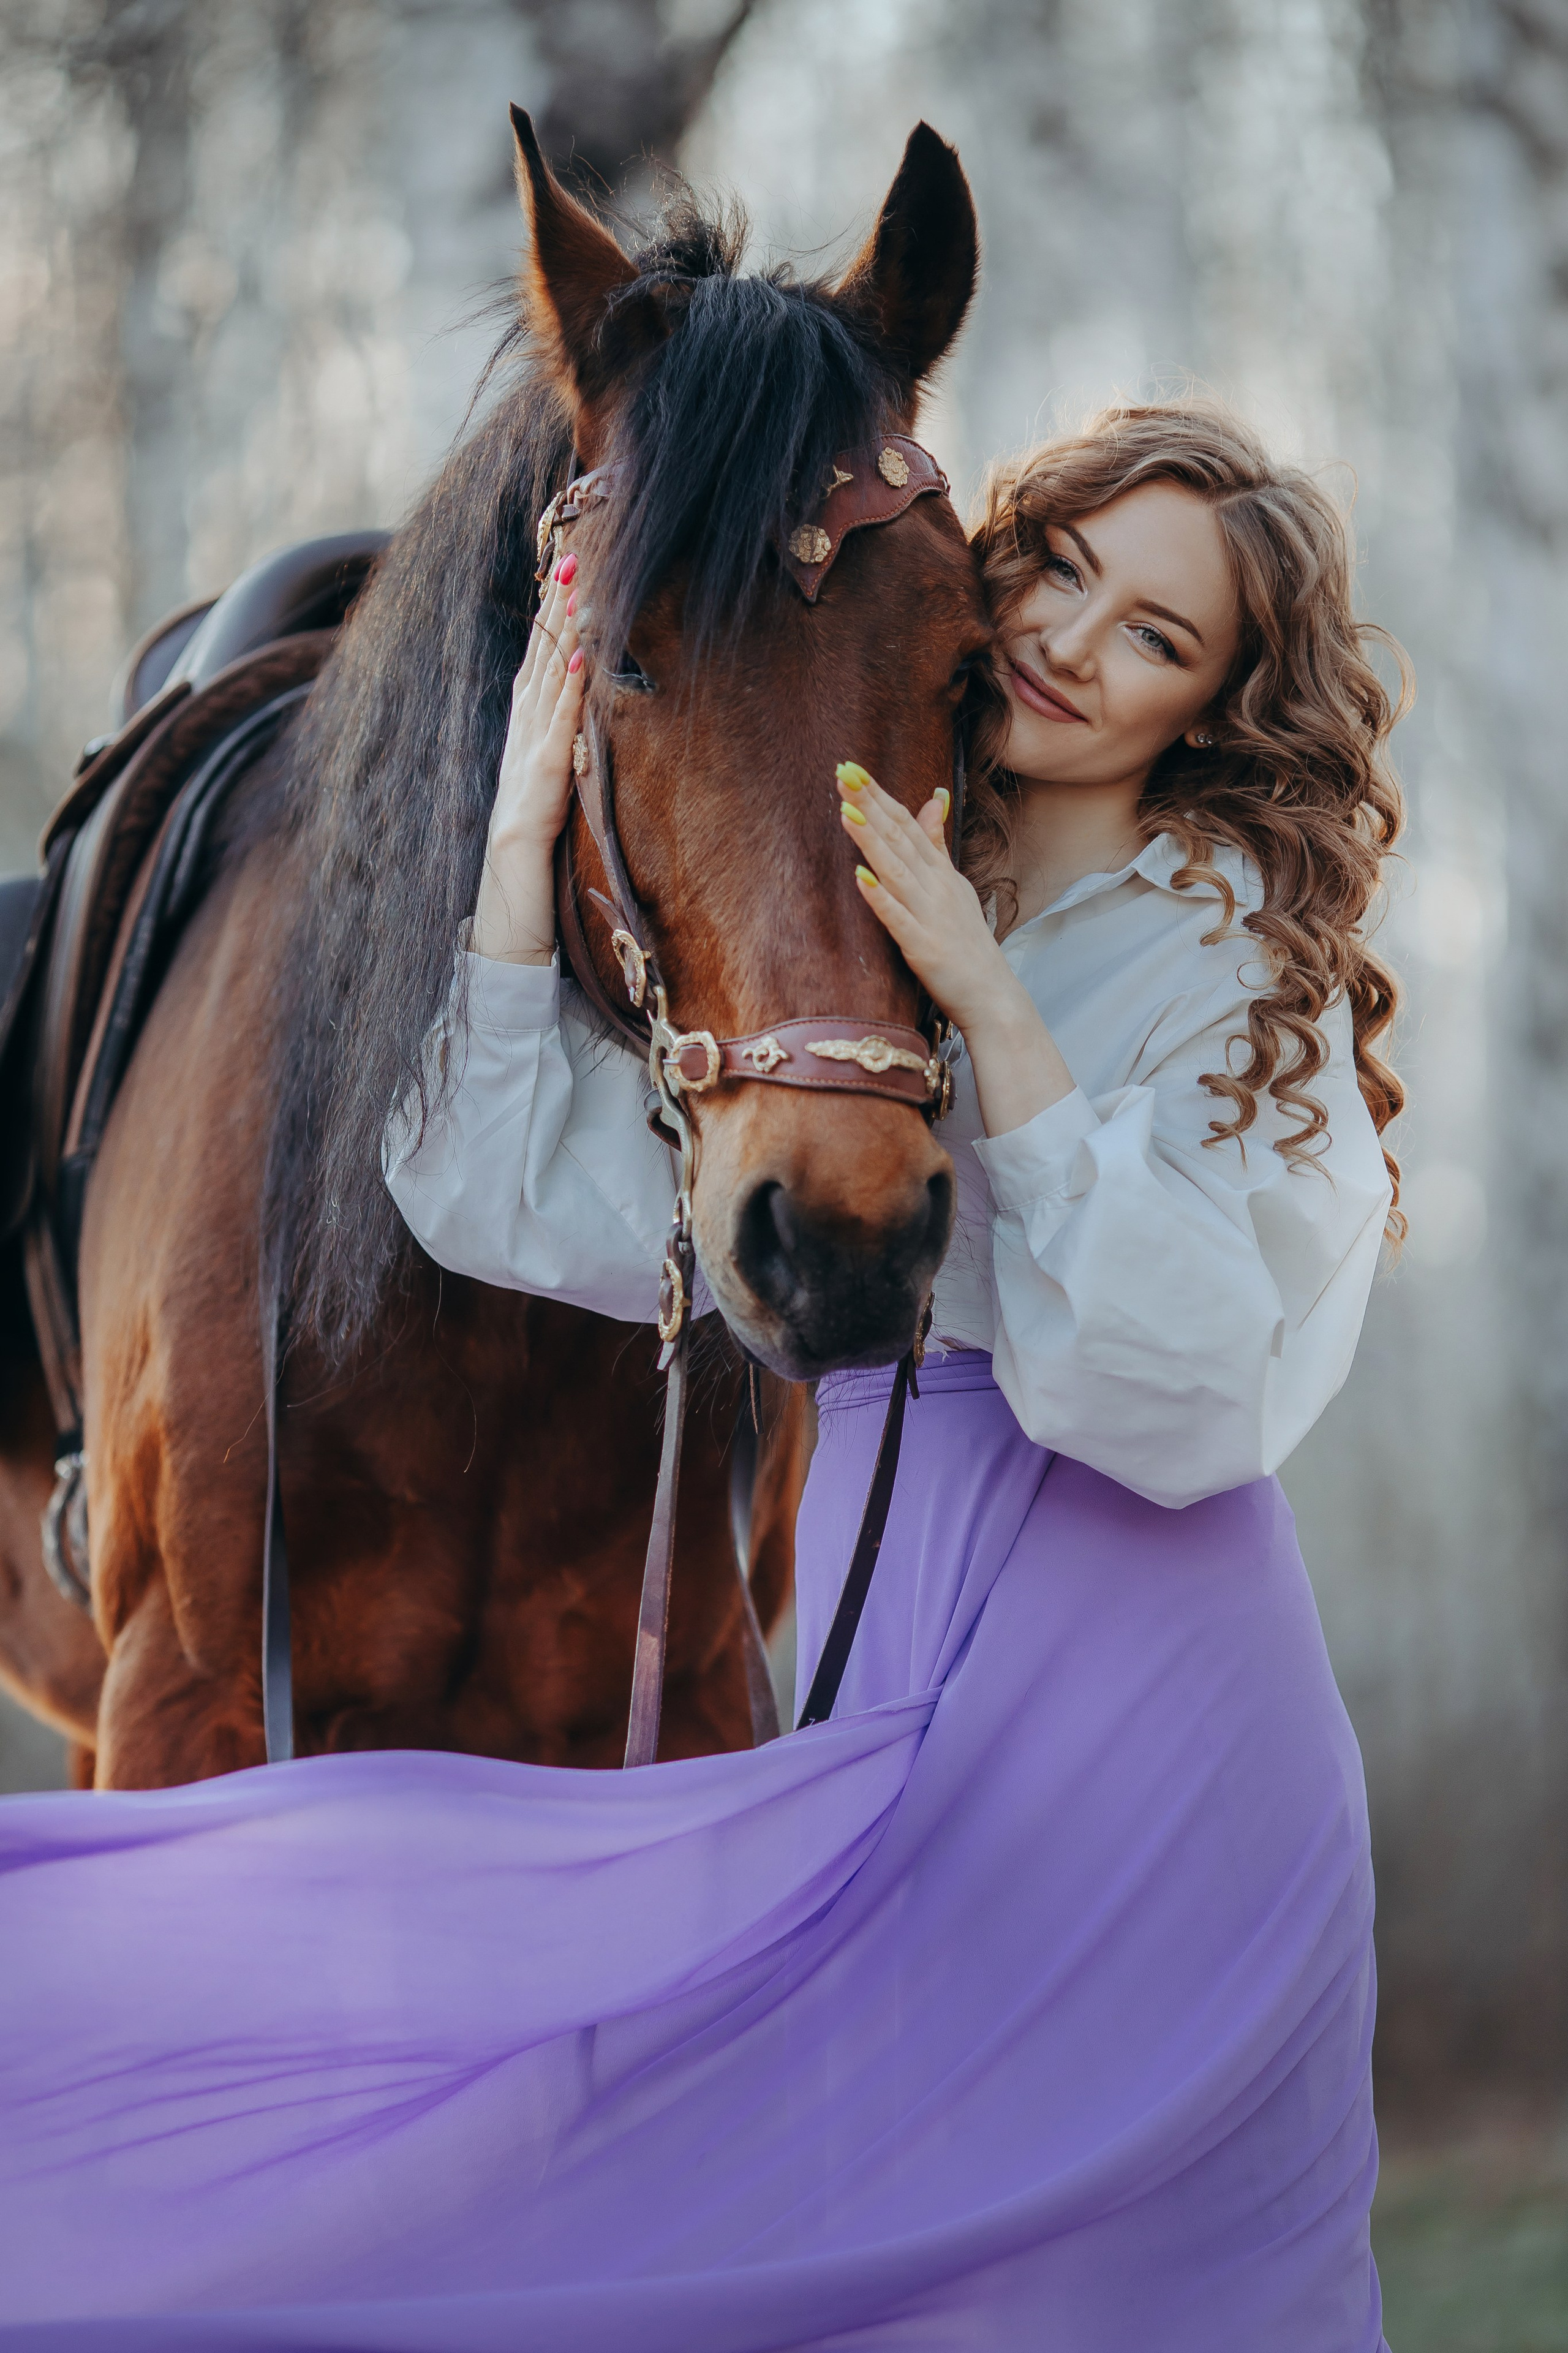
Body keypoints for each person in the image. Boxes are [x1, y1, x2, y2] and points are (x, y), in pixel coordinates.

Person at [377, 399, 1404, 2348]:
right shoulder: (838, 910)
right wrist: (529, 818)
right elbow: (513, 1194)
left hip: (1152, 1702)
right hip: (877, 1643)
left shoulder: (1237, 955)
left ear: (1213, 706)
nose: (1075, 642)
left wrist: (998, 1006)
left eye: (1156, 637)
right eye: (1070, 565)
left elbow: (1189, 1402)